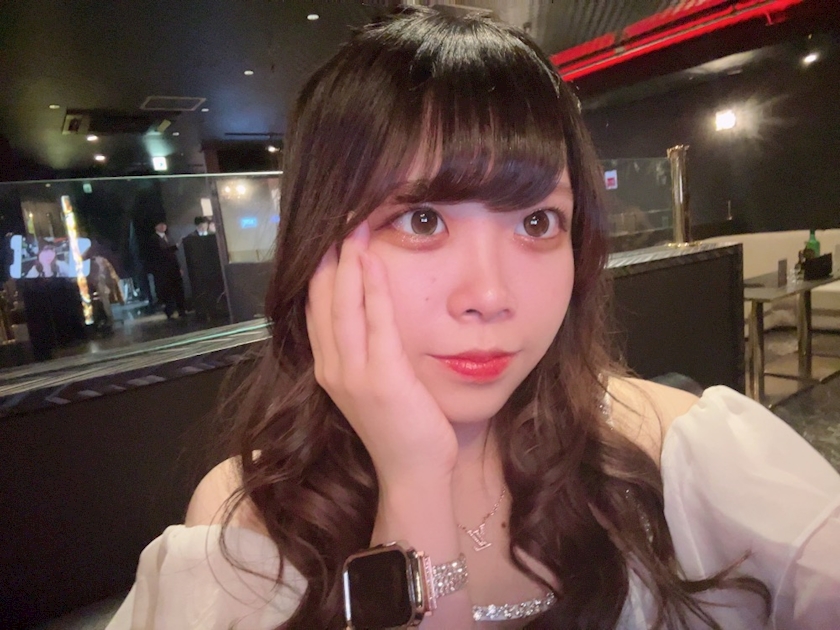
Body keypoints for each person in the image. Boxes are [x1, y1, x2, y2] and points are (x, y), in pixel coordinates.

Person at [107, 7, 840, 630]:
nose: (491, 294)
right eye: (423, 220)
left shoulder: (680, 452)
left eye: (537, 222)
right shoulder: (245, 527)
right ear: (318, 245)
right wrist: (412, 480)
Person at [150, 222, 186, 319]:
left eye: (164, 225)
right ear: (156, 226)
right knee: (168, 291)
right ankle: (169, 311)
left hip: (174, 267)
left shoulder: (168, 237)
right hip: (163, 270)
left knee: (179, 289)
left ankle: (181, 310)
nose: (163, 226)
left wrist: (179, 267)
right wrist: (175, 246)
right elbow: (161, 253)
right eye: (160, 225)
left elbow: (173, 255)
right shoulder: (154, 239)